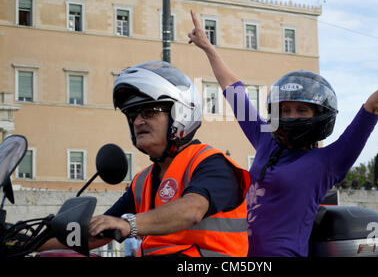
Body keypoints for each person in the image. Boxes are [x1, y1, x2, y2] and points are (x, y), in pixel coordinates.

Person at [188, 9, 378, 256]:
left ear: (319, 117)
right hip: (240, 254)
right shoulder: (265, 140)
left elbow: (373, 105)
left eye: (302, 110)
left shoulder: (329, 162)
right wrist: (208, 47)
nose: (291, 117)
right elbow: (234, 92)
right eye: (285, 110)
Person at [40, 61, 250, 257]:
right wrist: (22, 241)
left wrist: (129, 224)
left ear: (181, 114)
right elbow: (98, 234)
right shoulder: (143, 182)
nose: (138, 121)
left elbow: (192, 210)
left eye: (149, 112)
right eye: (132, 115)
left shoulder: (212, 164)